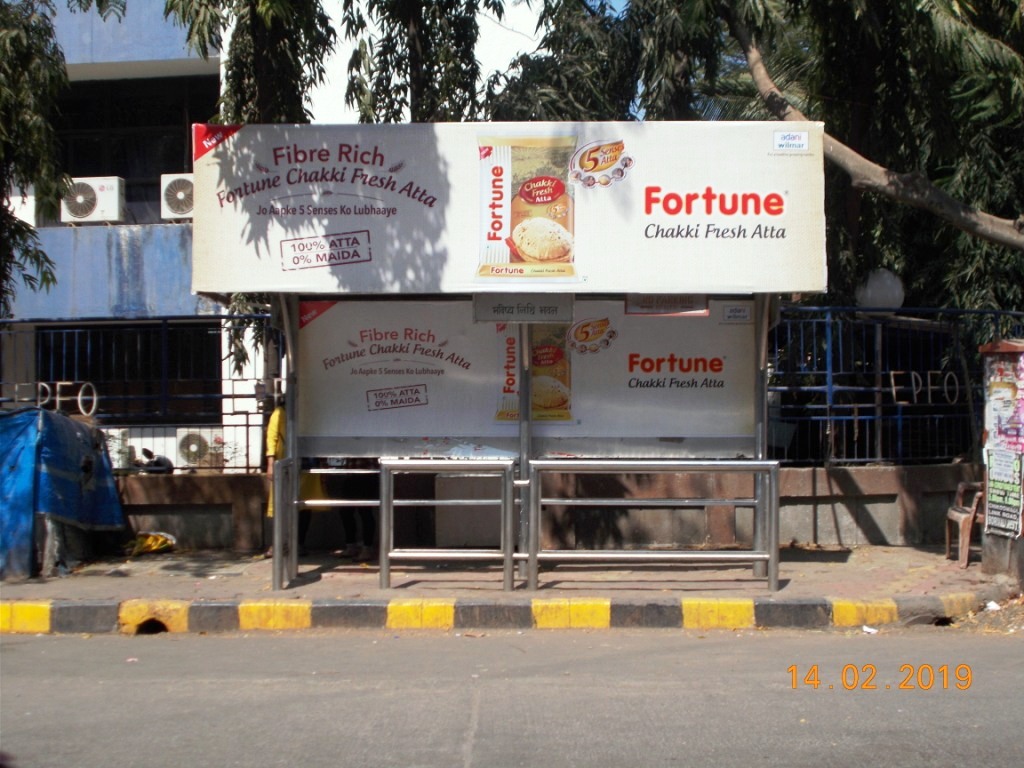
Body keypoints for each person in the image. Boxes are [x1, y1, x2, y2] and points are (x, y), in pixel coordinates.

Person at [265, 397, 321, 556]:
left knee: (303, 505)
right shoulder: (280, 412)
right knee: (280, 505)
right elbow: (272, 438)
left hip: (306, 462)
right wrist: (270, 463)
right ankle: (278, 543)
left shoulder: (310, 413)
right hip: (285, 463)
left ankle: (299, 543)